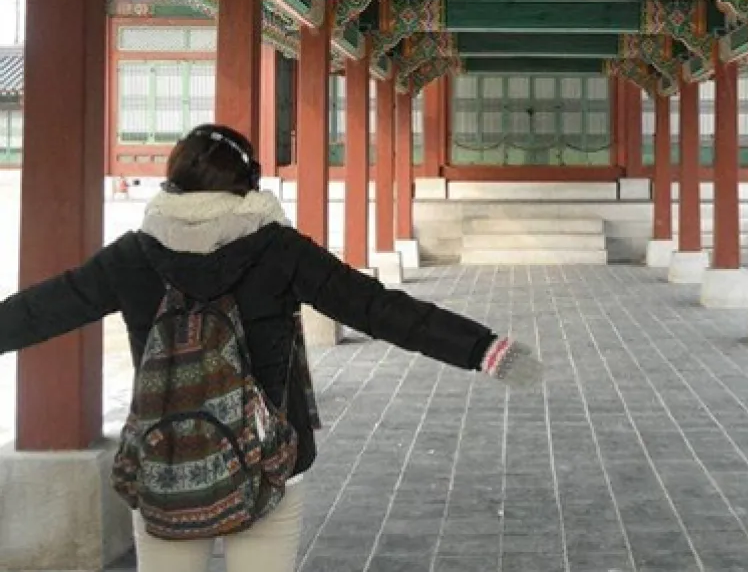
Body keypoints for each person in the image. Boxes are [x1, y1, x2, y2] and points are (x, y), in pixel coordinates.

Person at [0, 124, 542, 572]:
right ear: (249, 181)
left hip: (166, 457)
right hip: (269, 455)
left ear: (174, 181)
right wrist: (483, 349)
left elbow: (40, 309)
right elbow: (377, 308)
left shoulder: (131, 257)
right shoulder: (277, 250)